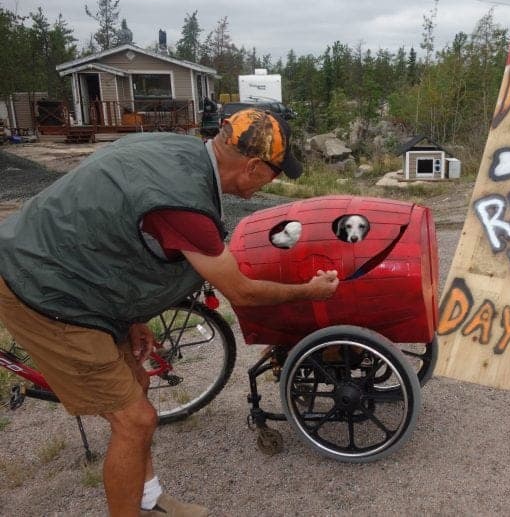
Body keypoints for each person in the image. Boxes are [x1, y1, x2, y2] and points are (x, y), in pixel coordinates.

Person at [0, 108, 339, 516]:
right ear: (252, 166)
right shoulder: (185, 202)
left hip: (72, 274)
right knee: (135, 420)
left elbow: (117, 233)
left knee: (139, 384)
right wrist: (310, 291)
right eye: (275, 173)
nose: (276, 182)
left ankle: (148, 499)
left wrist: (133, 315)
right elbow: (242, 293)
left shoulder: (179, 152)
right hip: (44, 290)